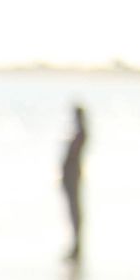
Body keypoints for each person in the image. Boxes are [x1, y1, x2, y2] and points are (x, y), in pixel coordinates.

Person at [61, 104, 87, 261]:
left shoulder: (81, 134)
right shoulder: (79, 134)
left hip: (73, 179)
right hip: (71, 178)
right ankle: (75, 245)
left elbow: (72, 159)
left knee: (75, 212)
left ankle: (77, 245)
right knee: (73, 212)